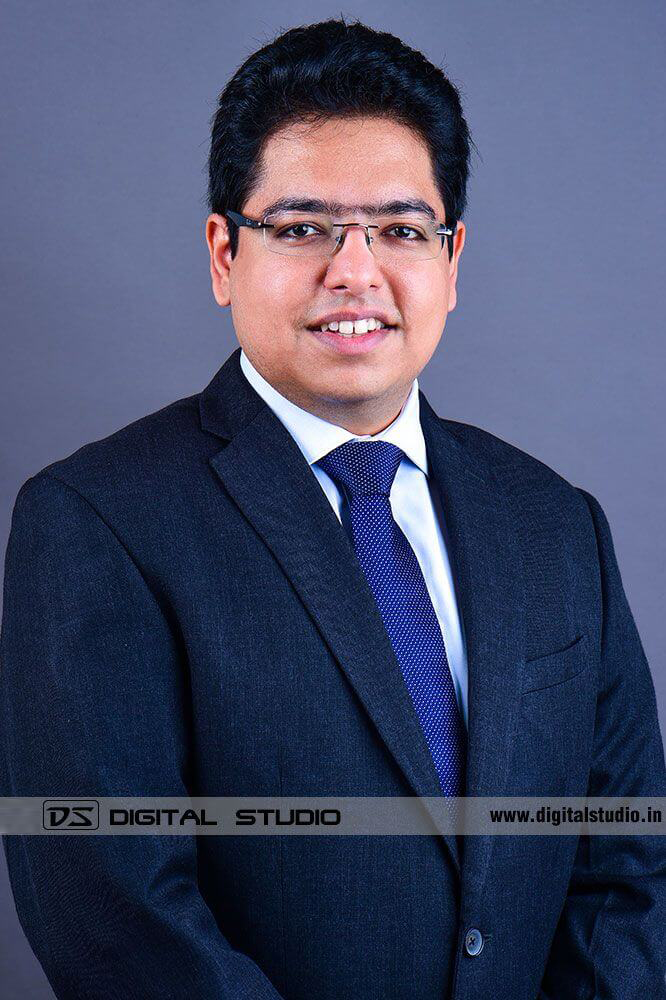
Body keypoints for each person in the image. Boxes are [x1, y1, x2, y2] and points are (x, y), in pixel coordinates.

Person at [1, 17, 665, 1000]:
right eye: (303, 227)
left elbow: (628, 869)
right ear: (225, 252)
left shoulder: (556, 524)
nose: (355, 272)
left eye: (401, 229)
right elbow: (119, 915)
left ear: (453, 257)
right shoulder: (99, 520)